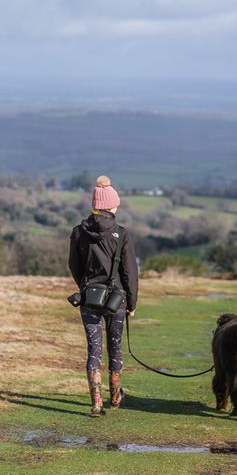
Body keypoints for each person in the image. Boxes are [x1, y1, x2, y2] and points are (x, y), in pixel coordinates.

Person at [68, 175, 138, 417]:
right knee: (115, 349)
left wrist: (86, 287)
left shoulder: (78, 232)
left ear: (94, 206)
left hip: (89, 298)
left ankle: (96, 403)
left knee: (94, 351)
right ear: (111, 206)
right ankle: (116, 396)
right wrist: (132, 301)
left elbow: (73, 266)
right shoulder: (122, 233)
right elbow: (129, 272)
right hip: (116, 300)